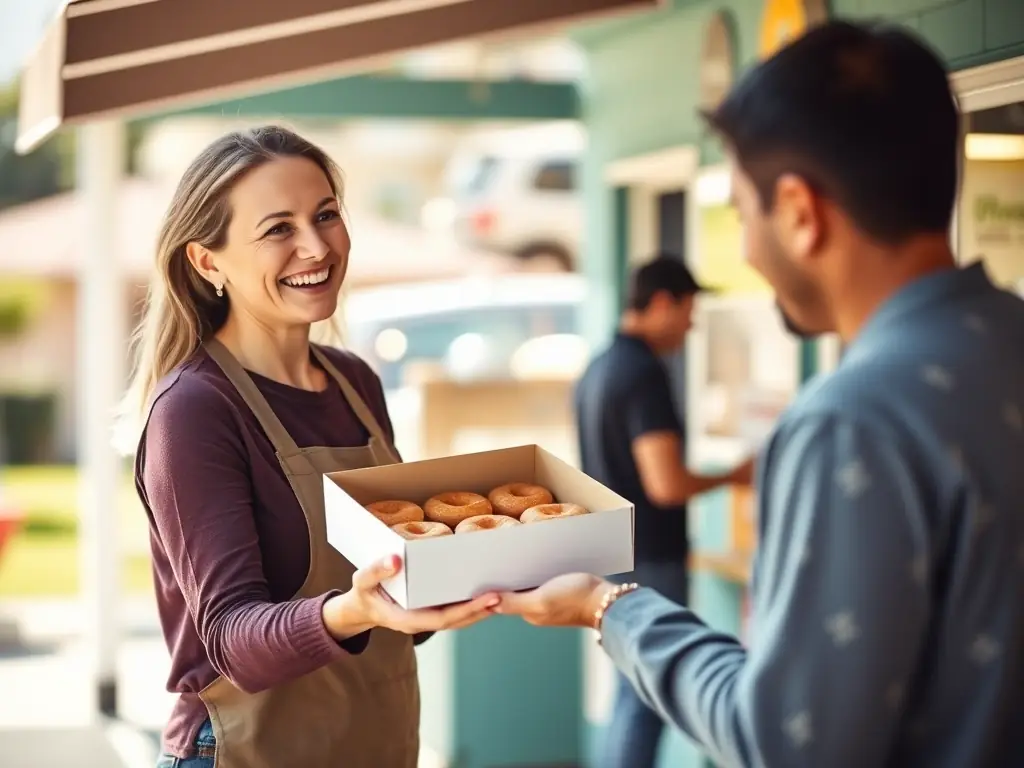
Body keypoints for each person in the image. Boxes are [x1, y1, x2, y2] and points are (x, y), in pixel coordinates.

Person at [494, 20, 1024, 767]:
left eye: (743, 212)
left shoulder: (851, 421)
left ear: (802, 215)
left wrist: (605, 605)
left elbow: (788, 742)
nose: (745, 244)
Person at [118, 126, 500, 768]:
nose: (316, 246)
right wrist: (354, 610)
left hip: (371, 742)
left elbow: (395, 583)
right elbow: (231, 641)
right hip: (243, 749)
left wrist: (463, 577)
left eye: (326, 215)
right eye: (278, 229)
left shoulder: (356, 383)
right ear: (207, 262)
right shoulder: (195, 411)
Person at [573, 253, 753, 767]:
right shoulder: (644, 374)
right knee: (646, 695)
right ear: (660, 303)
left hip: (610, 551)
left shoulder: (599, 367)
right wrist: (736, 475)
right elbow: (667, 483)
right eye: (689, 310)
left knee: (630, 692)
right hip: (650, 558)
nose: (693, 325)